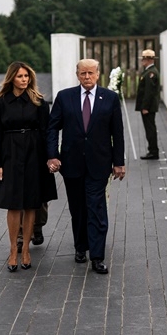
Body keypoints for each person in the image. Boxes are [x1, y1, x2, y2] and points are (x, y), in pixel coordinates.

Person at [47, 59, 125, 274]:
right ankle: (80, 246)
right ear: (77, 75)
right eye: (83, 73)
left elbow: (117, 133)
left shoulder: (110, 99)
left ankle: (97, 256)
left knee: (96, 208)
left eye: (91, 73)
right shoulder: (65, 97)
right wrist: (52, 156)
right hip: (71, 164)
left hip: (99, 165)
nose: (87, 77)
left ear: (98, 74)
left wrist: (119, 162)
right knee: (78, 209)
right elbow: (52, 128)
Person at [0, 61, 57, 272]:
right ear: (12, 78)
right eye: (20, 76)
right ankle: (12, 249)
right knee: (13, 204)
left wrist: (50, 158)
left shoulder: (39, 102)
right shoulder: (2, 102)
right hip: (10, 154)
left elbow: (47, 132)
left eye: (26, 76)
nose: (24, 79)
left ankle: (26, 248)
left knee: (31, 204)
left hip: (34, 154)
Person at [135, 49, 160, 160]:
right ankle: (152, 150)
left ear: (149, 60)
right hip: (148, 107)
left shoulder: (151, 73)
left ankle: (153, 151)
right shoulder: (149, 71)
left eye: (144, 59)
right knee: (149, 128)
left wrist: (145, 107)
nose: (142, 61)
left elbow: (149, 92)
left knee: (150, 129)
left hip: (148, 107)